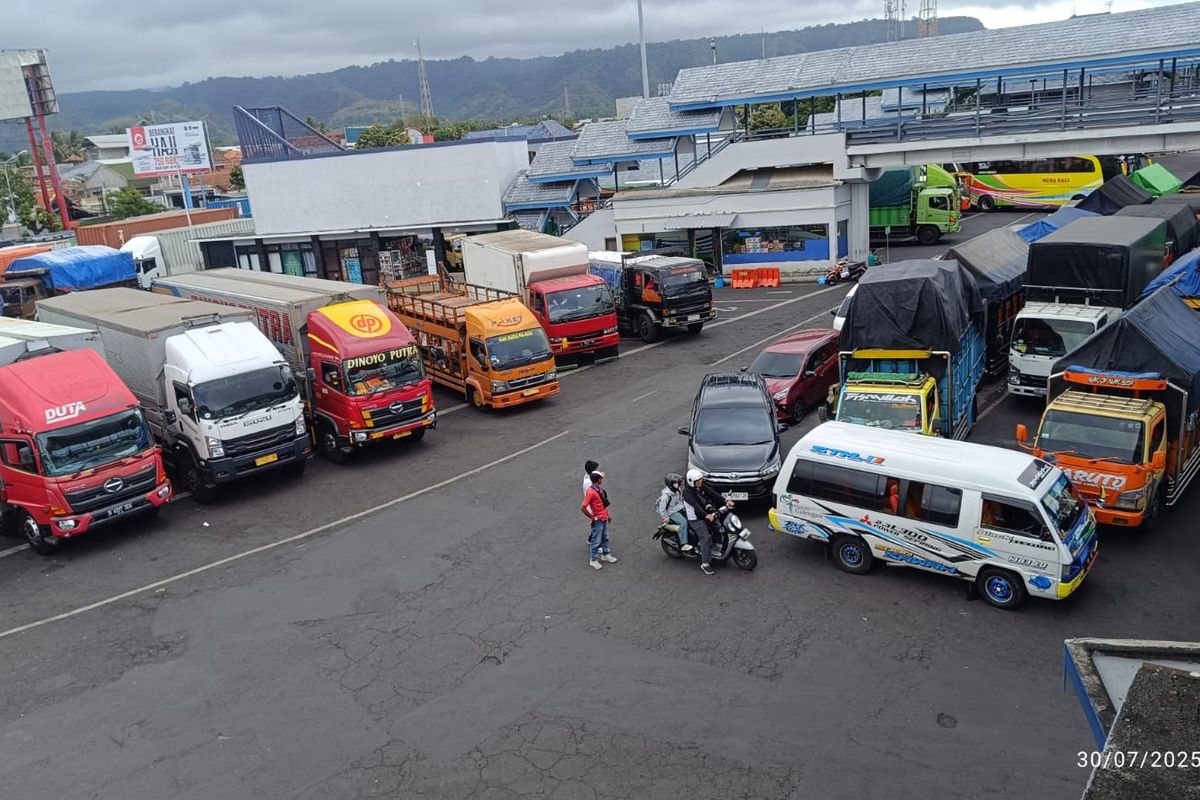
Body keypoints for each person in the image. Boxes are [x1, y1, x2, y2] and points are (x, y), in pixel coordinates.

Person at [682, 469, 731, 575]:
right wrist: (706, 515)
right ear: (691, 481)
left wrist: (725, 500)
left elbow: (712, 493)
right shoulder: (687, 493)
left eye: (700, 480)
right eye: (697, 481)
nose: (700, 482)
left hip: (704, 515)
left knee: (718, 526)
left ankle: (716, 546)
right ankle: (705, 564)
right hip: (696, 519)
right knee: (705, 537)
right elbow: (696, 506)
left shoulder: (700, 487)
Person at [581, 471, 617, 570]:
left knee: (605, 537)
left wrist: (607, 515)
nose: (602, 479)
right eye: (601, 478)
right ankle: (593, 560)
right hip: (598, 519)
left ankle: (606, 554)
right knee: (596, 541)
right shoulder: (591, 492)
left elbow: (603, 505)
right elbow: (583, 507)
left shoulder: (600, 490)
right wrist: (592, 517)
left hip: (603, 517)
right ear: (598, 479)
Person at [654, 472, 692, 553]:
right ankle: (683, 544)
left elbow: (680, 500)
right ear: (670, 484)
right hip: (672, 513)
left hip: (680, 509)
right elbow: (662, 509)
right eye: (676, 483)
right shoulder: (666, 496)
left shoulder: (678, 490)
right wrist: (666, 518)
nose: (678, 484)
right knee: (683, 523)